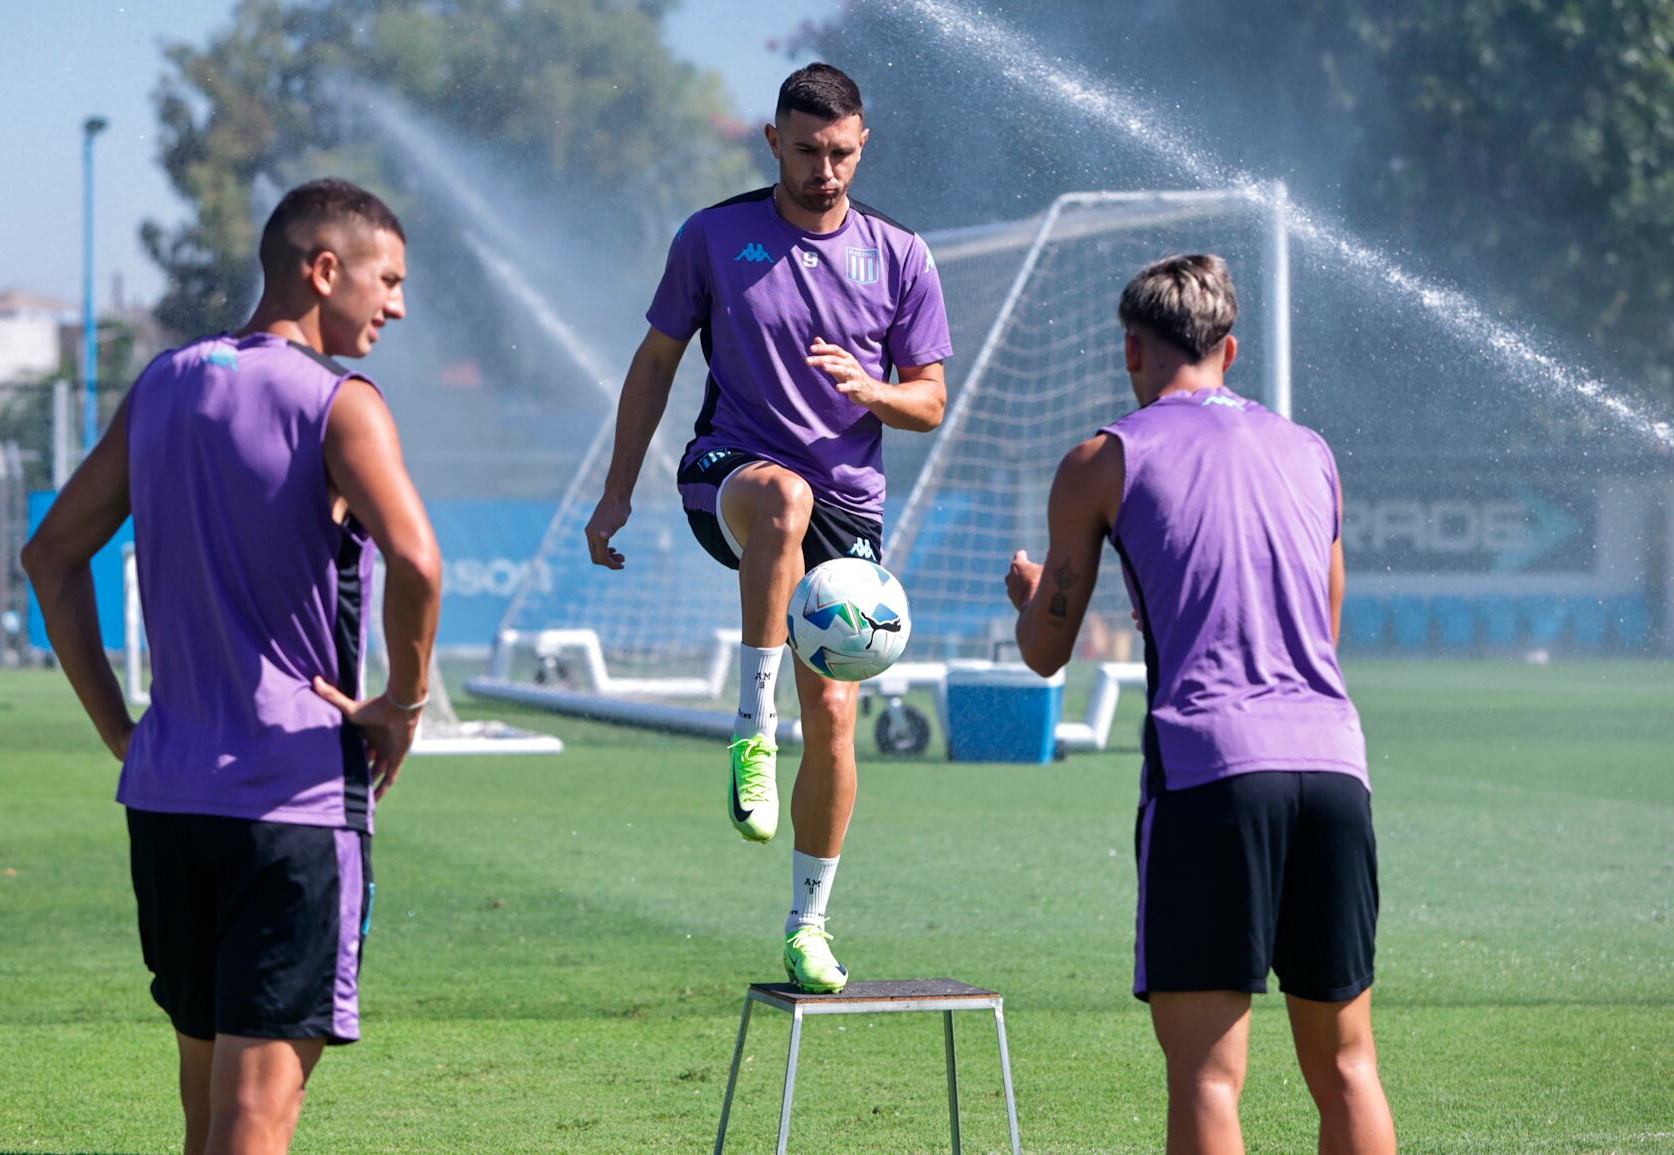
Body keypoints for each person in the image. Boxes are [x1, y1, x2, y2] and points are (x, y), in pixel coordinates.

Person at [23, 178, 442, 1155]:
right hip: (288, 800)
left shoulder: (165, 383)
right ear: (322, 268)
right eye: (387, 279)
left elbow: (49, 557)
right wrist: (403, 703)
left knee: (208, 1113)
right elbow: (419, 562)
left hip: (167, 798)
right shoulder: (341, 404)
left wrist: (119, 730)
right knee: (254, 1123)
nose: (398, 305)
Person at [1005, 255, 1396, 1154]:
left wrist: (1032, 592)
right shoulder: (1310, 450)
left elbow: (1044, 650)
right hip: (1335, 767)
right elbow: (1321, 631)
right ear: (1229, 349)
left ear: (1130, 350)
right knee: (1348, 1067)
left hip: (1211, 769)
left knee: (1209, 1075)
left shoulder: (1102, 457)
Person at [583, 62, 952, 993]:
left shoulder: (900, 253)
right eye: (805, 151)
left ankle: (808, 921)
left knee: (837, 715)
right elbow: (655, 362)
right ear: (772, 142)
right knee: (781, 499)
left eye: (839, 154)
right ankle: (752, 727)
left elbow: (930, 401)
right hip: (731, 476)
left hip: (850, 510)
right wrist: (616, 490)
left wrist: (872, 389)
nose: (823, 170)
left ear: (861, 144)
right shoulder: (714, 236)